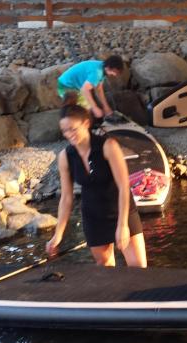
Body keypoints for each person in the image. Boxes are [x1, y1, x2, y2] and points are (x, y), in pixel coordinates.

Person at [46, 94, 147, 267]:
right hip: (93, 216)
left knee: (138, 268)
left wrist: (122, 225)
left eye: (73, 129)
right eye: (65, 131)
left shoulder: (108, 146)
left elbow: (124, 186)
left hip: (121, 211)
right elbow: (66, 199)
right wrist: (58, 234)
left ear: (86, 123)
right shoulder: (65, 156)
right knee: (104, 267)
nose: (69, 134)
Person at [56, 56, 124, 120]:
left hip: (75, 86)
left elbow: (99, 89)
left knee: (90, 107)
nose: (114, 75)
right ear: (109, 67)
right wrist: (95, 108)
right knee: (85, 110)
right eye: (114, 72)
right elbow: (84, 90)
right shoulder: (97, 73)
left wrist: (106, 107)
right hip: (66, 86)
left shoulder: (101, 67)